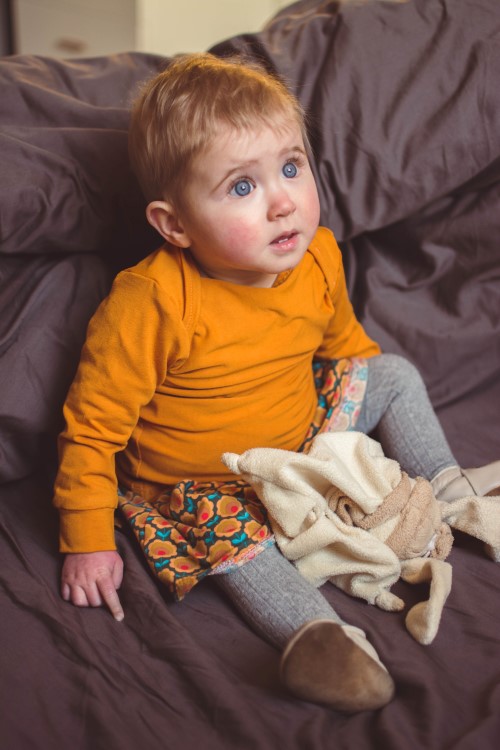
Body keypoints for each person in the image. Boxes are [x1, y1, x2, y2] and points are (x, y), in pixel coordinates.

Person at [53, 53, 500, 714]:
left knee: (393, 373)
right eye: (242, 186)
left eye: (291, 167)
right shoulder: (151, 302)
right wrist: (87, 539)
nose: (284, 201)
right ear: (175, 225)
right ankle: (319, 638)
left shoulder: (317, 253)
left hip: (302, 440)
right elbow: (91, 430)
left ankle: (449, 489)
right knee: (234, 541)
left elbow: (342, 342)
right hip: (203, 482)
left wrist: (354, 431)